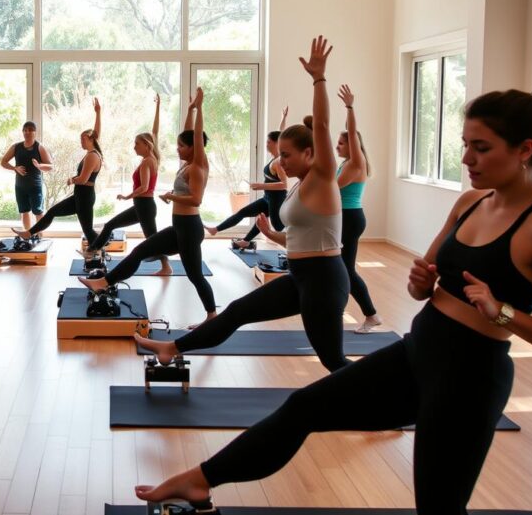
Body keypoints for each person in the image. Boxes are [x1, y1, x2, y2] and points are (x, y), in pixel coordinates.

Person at [133, 76, 532, 515]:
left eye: (481, 148)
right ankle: (202, 478)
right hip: (416, 354)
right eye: (464, 147)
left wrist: (502, 313)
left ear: (525, 150)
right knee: (302, 407)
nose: (467, 159)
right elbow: (426, 280)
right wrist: (421, 282)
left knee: (437, 505)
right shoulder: (470, 202)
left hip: (470, 380)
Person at [134, 37, 349, 371]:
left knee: (332, 360)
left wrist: (318, 79)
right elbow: (301, 240)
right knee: (237, 312)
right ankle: (171, 349)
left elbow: (320, 125)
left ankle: (396, 400)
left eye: (287, 155)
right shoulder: (298, 186)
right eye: (279, 155)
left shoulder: (322, 177)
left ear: (310, 154)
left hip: (324, 281)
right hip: (300, 277)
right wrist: (270, 235)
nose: (280, 162)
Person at [80, 89, 217, 321]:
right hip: (179, 228)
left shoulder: (198, 166)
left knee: (195, 276)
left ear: (194, 148)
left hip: (190, 229)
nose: (178, 148)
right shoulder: (185, 164)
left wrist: (200, 109)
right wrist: (191, 109)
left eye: (182, 146)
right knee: (140, 251)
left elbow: (196, 200)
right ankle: (102, 283)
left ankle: (212, 315)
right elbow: (188, 133)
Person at [82, 94, 173, 275]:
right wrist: (157, 108)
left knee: (151, 240)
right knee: (111, 226)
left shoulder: (148, 161)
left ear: (147, 145)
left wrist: (126, 196)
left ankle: (92, 251)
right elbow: (155, 133)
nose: (134, 147)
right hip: (142, 206)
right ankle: (93, 251)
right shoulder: (152, 157)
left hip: (145, 206)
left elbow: (145, 187)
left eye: (136, 143)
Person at [14, 98, 103, 243]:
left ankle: (102, 247)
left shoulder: (92, 156)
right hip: (80, 196)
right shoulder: (92, 152)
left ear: (89, 139)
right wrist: (98, 113)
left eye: (82, 140)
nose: (80, 142)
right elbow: (97, 134)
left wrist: (72, 179)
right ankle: (29, 233)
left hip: (84, 197)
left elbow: (83, 180)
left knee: (88, 231)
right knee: (53, 212)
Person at [335, 84, 382, 333]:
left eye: (341, 143)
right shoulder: (345, 163)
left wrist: (350, 107)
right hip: (346, 217)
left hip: (350, 218)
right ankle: (340, 309)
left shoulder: (356, 162)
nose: (338, 146)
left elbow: (352, 133)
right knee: (342, 267)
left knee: (346, 270)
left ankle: (371, 315)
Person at [205, 105, 289, 245]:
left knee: (279, 226)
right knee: (243, 212)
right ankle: (219, 230)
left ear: (276, 143)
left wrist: (260, 185)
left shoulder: (278, 162)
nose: (266, 144)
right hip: (267, 198)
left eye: (269, 142)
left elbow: (284, 185)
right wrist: (283, 118)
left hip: (276, 200)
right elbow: (281, 133)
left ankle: (294, 237)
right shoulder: (274, 158)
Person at [0, 121, 53, 231]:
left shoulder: (39, 147)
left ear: (35, 132)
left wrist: (39, 165)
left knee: (38, 212)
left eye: (30, 130)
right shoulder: (16, 147)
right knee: (24, 212)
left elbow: (50, 166)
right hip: (20, 186)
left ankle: (40, 237)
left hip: (35, 186)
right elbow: (3, 162)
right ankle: (28, 236)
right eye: (25, 130)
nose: (27, 132)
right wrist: (15, 168)